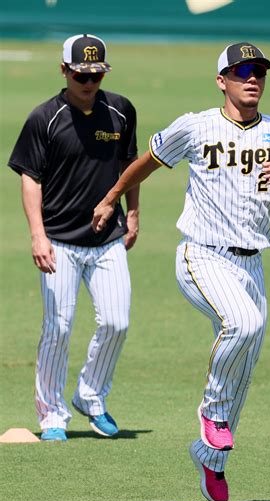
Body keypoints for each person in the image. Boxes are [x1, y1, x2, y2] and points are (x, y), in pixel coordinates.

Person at [92, 42, 270, 501]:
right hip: (202, 254)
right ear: (222, 80)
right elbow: (149, 161)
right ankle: (211, 415)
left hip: (251, 263)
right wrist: (112, 195)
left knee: (244, 363)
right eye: (241, 72)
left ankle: (210, 460)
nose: (251, 79)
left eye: (258, 71)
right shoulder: (196, 126)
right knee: (243, 324)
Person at [8, 34, 140, 441]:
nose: (89, 82)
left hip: (107, 239)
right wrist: (37, 235)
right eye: (82, 74)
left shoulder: (120, 110)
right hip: (59, 241)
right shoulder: (44, 118)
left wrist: (133, 212)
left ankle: (91, 396)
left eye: (96, 74)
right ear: (64, 71)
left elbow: (130, 165)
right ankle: (51, 415)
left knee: (117, 322)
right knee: (58, 329)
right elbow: (31, 178)